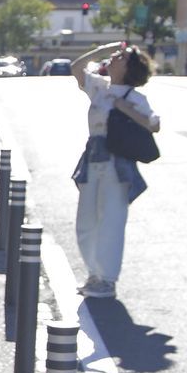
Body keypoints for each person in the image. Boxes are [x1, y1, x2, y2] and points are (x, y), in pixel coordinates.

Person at [69, 41, 161, 300]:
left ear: (129, 68)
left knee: (111, 221)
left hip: (117, 165)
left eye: (121, 56)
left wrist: (126, 109)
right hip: (92, 161)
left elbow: (154, 125)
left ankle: (107, 279)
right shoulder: (100, 88)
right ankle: (93, 274)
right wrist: (103, 49)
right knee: (86, 222)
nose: (115, 57)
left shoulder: (135, 98)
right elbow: (76, 68)